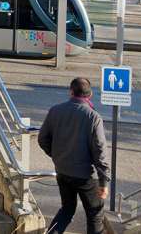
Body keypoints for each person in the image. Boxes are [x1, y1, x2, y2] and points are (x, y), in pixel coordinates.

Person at [38, 77, 110, 234]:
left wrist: (56, 155)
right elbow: (100, 151)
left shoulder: (55, 110)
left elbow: (42, 139)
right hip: (86, 176)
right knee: (94, 214)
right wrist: (103, 182)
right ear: (89, 95)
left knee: (67, 209)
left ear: (71, 92)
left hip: (63, 171)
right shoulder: (93, 117)